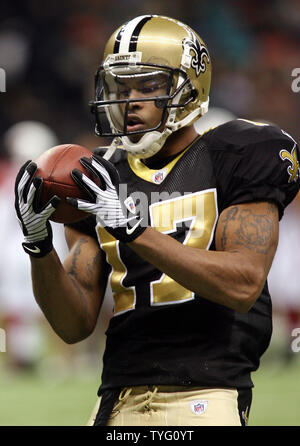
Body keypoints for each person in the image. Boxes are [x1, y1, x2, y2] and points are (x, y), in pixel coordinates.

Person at [14, 15, 300, 426]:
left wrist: (133, 229)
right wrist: (39, 246)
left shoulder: (238, 153)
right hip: (117, 396)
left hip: (208, 393)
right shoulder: (98, 176)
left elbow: (244, 283)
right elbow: (74, 325)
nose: (130, 101)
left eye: (148, 85)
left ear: (189, 87)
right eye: (120, 87)